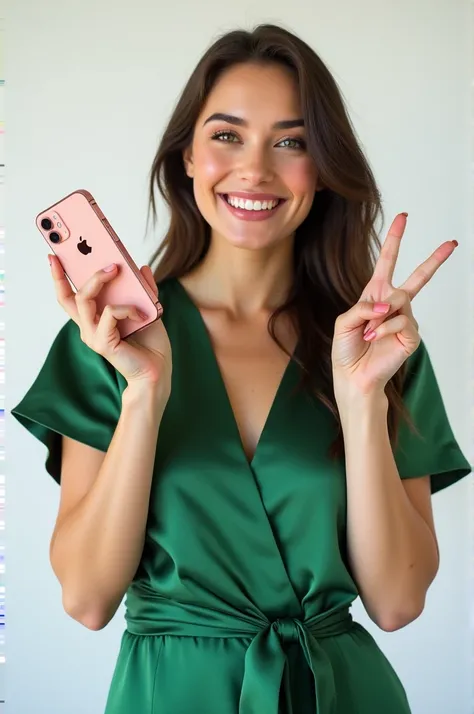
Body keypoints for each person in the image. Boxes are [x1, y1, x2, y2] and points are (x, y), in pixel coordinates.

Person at [12, 22, 472, 714]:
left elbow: (398, 600)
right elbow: (86, 597)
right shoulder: (108, 341)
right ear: (187, 156)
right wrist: (144, 393)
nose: (255, 170)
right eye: (227, 135)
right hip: (170, 695)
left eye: (291, 141)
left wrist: (360, 401)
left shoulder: (376, 345)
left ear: (323, 166)